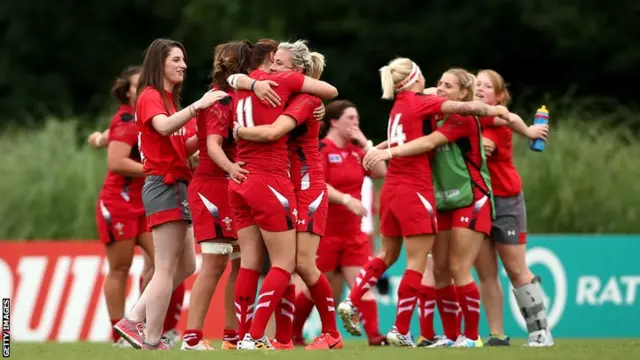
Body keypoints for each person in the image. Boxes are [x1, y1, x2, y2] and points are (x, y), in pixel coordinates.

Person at [339, 58, 511, 348]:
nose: (440, 87)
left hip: (472, 198)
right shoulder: (429, 106)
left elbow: (428, 141)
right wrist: (380, 148)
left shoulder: (456, 117)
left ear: (462, 90)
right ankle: (450, 335)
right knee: (439, 268)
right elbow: (416, 125)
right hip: (437, 197)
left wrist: (383, 151)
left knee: (456, 268)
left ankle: (470, 337)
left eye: (447, 85)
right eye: (439, 82)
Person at [113, 38, 229, 350]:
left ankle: (139, 323)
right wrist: (198, 106)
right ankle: (145, 332)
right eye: (176, 59)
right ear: (159, 63)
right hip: (163, 185)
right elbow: (164, 128)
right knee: (164, 267)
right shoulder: (151, 96)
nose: (183, 65)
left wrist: (207, 135)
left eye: (184, 60)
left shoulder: (169, 99)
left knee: (186, 266)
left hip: (178, 183)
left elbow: (182, 145)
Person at [233, 42, 347, 350]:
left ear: (297, 71)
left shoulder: (307, 99)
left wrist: (240, 132)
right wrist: (247, 82)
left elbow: (273, 132)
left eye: (280, 63)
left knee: (302, 264)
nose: (273, 68)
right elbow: (238, 79)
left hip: (307, 187)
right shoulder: (284, 92)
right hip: (287, 186)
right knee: (287, 263)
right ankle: (281, 338)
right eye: (272, 62)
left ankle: (331, 334)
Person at [292, 100, 388, 346]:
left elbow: (381, 171)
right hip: (325, 231)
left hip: (353, 234)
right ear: (334, 122)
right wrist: (346, 199)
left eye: (357, 119)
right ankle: (294, 333)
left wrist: (366, 142)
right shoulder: (322, 149)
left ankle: (375, 337)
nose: (355, 123)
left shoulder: (357, 152)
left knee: (362, 286)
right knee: (317, 290)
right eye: (350, 118)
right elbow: (318, 184)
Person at [180, 40, 254, 351]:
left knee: (239, 262)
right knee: (214, 263)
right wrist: (231, 169)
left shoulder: (234, 97)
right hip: (214, 186)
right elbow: (211, 146)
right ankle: (191, 338)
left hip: (231, 186)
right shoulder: (221, 100)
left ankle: (232, 336)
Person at [473, 69, 554, 347]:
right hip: (478, 200)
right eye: (476, 84)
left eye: (487, 86)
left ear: (499, 96)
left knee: (516, 269)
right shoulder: (468, 116)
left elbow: (485, 146)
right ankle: (497, 335)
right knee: (486, 273)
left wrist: (530, 131)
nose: (480, 89)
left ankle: (540, 331)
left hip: (506, 200)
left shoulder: (497, 118)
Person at [93, 66, 153, 349]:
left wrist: (100, 137)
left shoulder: (145, 116)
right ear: (126, 92)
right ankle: (121, 334)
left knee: (166, 263)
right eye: (136, 85)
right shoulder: (127, 119)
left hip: (145, 203)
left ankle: (142, 325)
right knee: (120, 267)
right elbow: (116, 162)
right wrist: (155, 169)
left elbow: (110, 138)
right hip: (119, 203)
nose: (142, 89)